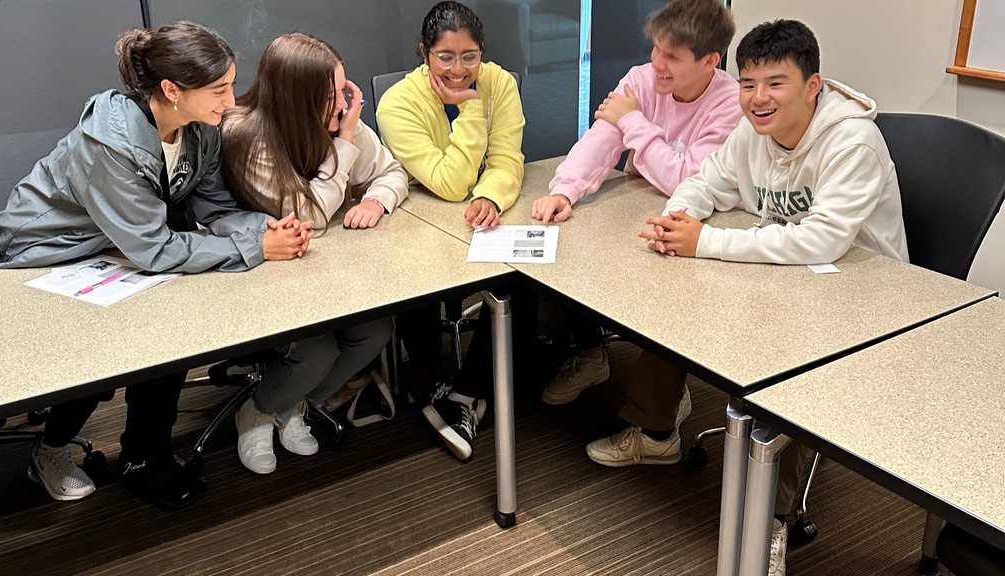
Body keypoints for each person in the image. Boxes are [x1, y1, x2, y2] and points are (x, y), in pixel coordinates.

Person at [602, 20, 909, 575]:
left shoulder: (853, 141)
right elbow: (709, 179)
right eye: (747, 84)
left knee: (793, 377)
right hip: (784, 270)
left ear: (813, 85)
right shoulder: (755, 130)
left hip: (861, 293)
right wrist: (682, 216)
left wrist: (710, 242)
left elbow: (823, 239)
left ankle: (774, 519)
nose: (758, 99)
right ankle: (654, 431)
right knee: (672, 290)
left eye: (775, 83)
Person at [0, 21, 313, 509]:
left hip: (118, 245)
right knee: (96, 347)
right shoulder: (108, 145)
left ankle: (145, 457)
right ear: (170, 90)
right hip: (48, 250)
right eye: (219, 89)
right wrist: (255, 250)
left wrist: (268, 229)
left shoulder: (198, 131)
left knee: (168, 335)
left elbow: (213, 209)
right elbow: (155, 249)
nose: (230, 102)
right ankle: (50, 451)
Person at [532, 0, 740, 425]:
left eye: (672, 57)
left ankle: (666, 400)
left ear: (710, 62)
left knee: (669, 296)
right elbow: (602, 139)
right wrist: (566, 189)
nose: (656, 64)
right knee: (574, 246)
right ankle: (592, 357)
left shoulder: (731, 102)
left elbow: (686, 178)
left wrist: (635, 123)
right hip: (638, 206)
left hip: (699, 221)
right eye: (656, 50)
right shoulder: (641, 81)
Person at [220, 32, 406, 474]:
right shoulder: (245, 136)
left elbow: (392, 172)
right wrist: (343, 144)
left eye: (344, 90)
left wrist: (376, 200)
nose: (343, 105)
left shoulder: (340, 120)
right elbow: (309, 216)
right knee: (317, 349)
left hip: (321, 269)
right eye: (329, 97)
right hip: (258, 273)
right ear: (295, 98)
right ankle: (258, 412)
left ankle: (296, 405)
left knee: (375, 329)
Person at [376, 0, 532, 461]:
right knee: (417, 274)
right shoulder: (397, 103)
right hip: (422, 225)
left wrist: (491, 196)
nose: (460, 69)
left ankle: (467, 394)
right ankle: (424, 376)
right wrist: (469, 110)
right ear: (424, 53)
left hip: (480, 220)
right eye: (446, 56)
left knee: (518, 281)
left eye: (471, 56)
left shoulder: (499, 82)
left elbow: (508, 159)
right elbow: (446, 184)